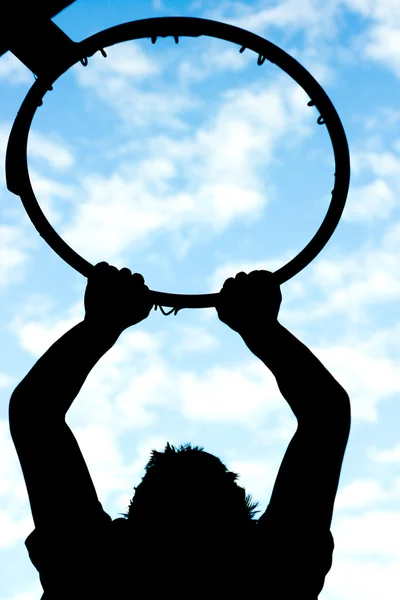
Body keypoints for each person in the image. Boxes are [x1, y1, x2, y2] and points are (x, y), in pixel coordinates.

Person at [9, 262, 351, 599]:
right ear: (240, 517)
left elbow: (35, 413)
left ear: (132, 518)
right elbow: (326, 413)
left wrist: (100, 325)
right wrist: (261, 329)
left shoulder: (92, 570)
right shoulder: (276, 573)